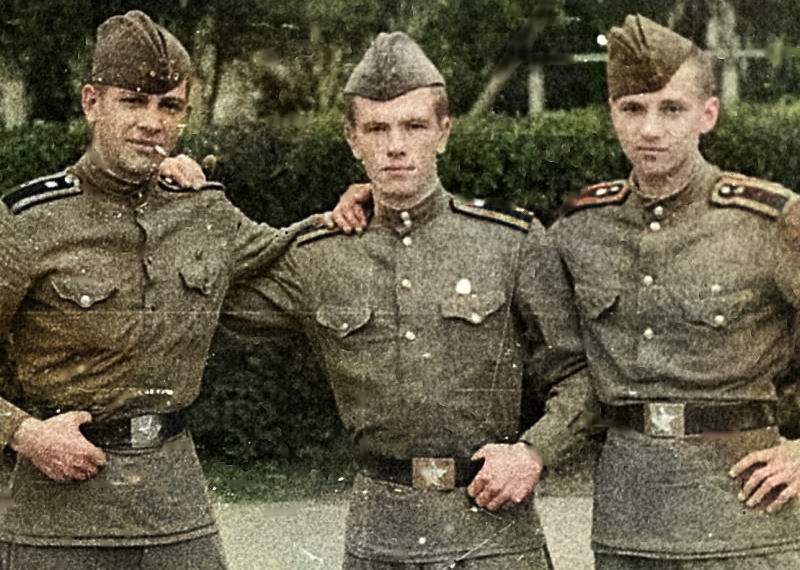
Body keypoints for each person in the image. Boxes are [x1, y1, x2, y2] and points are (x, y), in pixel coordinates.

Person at [223, 31, 596, 569]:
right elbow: (202, 297)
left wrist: (533, 452)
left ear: (443, 132)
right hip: (382, 541)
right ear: (352, 139)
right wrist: (181, 192)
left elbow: (578, 373)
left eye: (414, 126)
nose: (395, 145)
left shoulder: (509, 242)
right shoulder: (319, 257)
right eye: (377, 128)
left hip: (493, 536)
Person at [0, 10, 323, 569]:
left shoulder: (203, 211)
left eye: (169, 106)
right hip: (54, 517)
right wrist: (24, 434)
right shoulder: (27, 221)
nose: (152, 122)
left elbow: (294, 252)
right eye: (133, 101)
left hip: (175, 512)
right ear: (92, 102)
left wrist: (356, 210)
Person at [545, 14, 800, 569]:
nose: (650, 129)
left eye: (671, 109)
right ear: (612, 114)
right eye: (633, 109)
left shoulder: (769, 220)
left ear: (708, 114)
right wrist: (371, 205)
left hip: (747, 522)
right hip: (629, 523)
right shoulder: (580, 226)